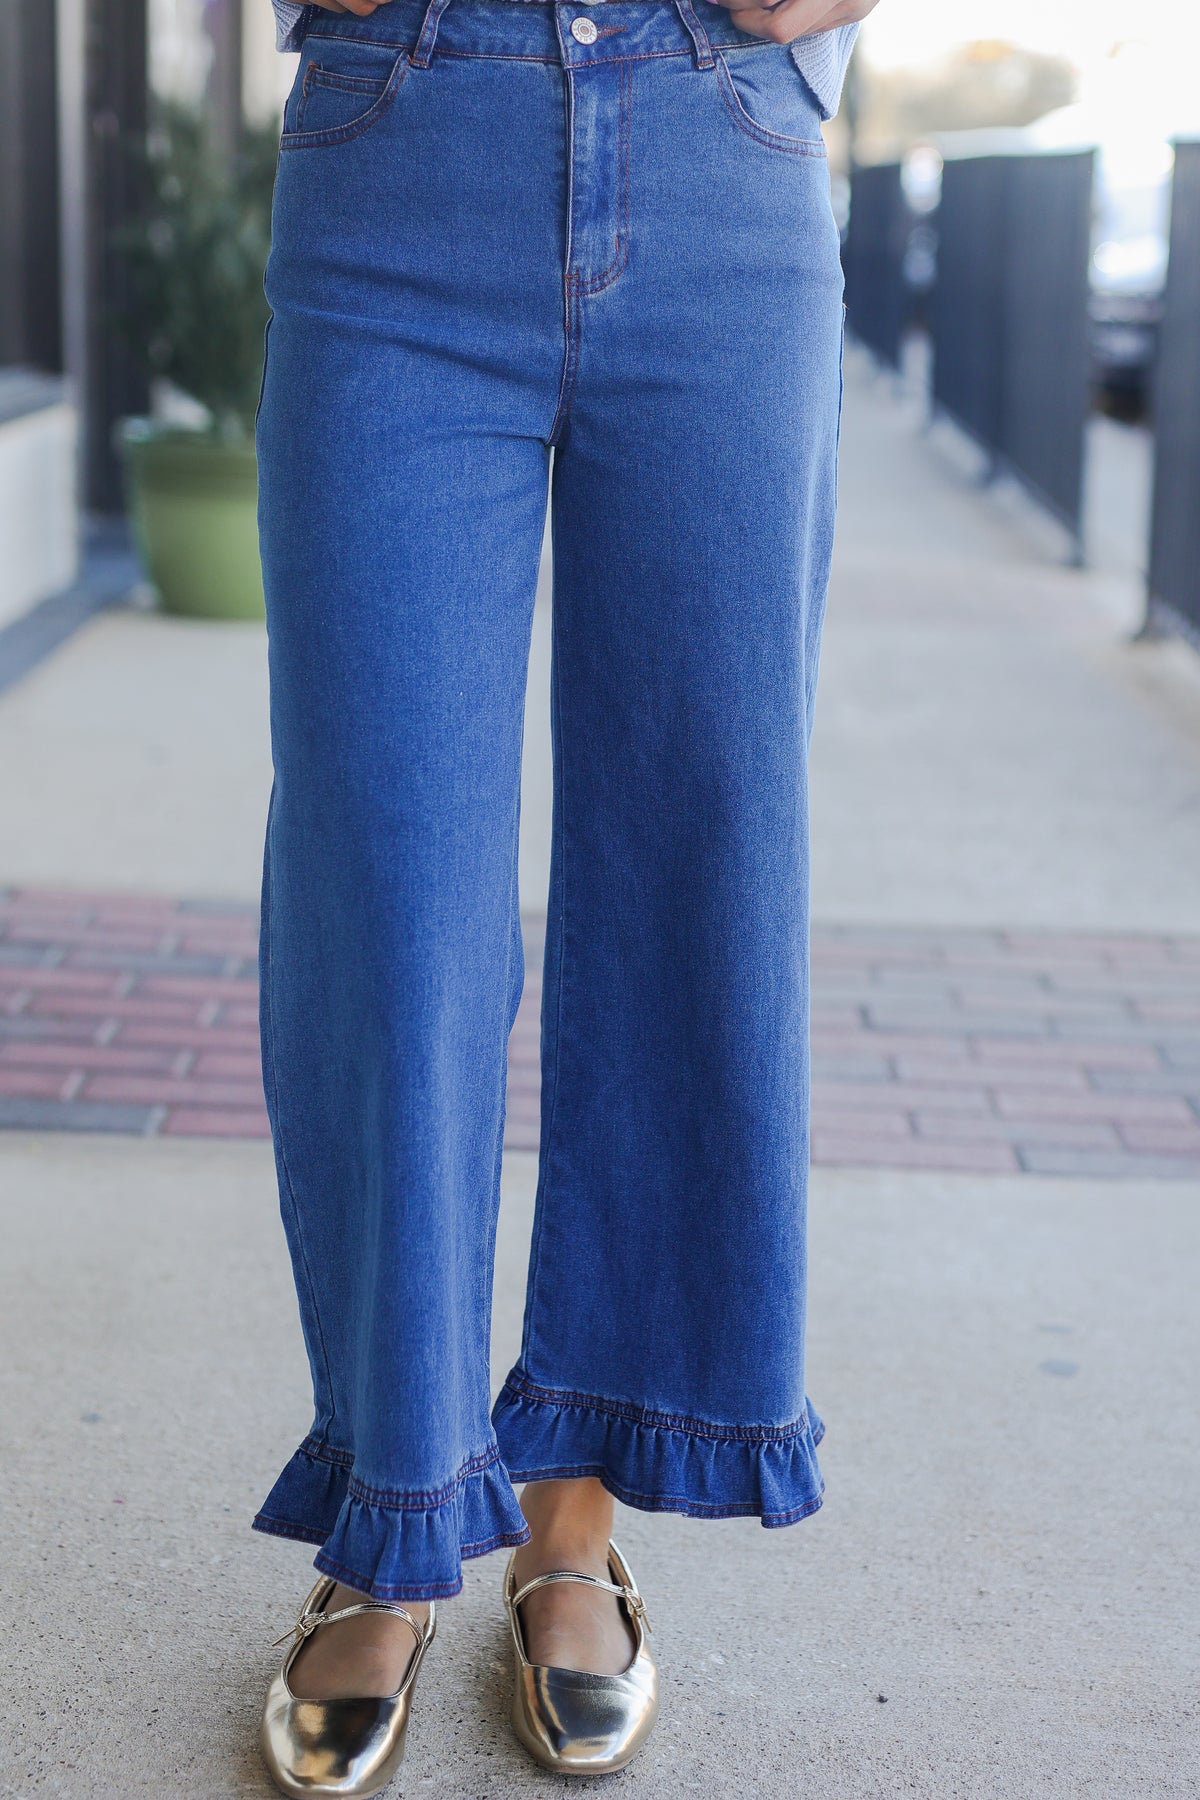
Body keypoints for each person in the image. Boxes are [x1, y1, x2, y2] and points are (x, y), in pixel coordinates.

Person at [252, 0, 877, 1789]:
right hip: (400, 147)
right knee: (390, 896)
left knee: (700, 863)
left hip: (721, 145)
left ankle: (574, 1521)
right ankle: (392, 1510)